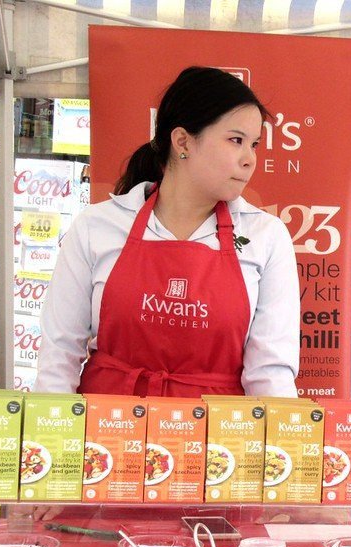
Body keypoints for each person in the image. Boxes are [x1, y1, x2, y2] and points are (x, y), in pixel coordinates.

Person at [35, 66, 300, 399]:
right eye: (236, 140)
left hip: (218, 442)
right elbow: (59, 356)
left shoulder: (266, 236)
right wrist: (57, 440)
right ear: (182, 141)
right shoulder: (97, 226)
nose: (250, 159)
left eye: (255, 144)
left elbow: (270, 373)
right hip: (105, 432)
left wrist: (281, 446)